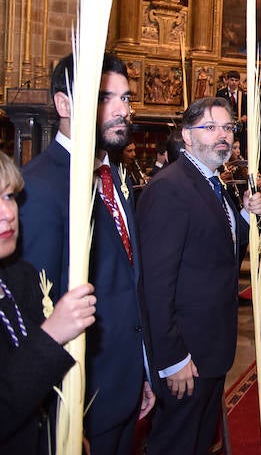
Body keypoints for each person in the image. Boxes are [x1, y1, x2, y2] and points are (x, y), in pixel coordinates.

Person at [19, 54, 154, 455]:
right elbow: (35, 314)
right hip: (77, 401)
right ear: (64, 105)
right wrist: (55, 414)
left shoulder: (113, 177)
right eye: (103, 98)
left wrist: (142, 370)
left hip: (122, 385)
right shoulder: (39, 189)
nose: (122, 111)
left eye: (126, 98)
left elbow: (128, 283)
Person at [138, 96, 261, 454]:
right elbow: (156, 285)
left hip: (212, 349)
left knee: (198, 442)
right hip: (186, 356)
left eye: (227, 128)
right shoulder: (170, 187)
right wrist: (172, 358)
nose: (222, 136)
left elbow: (219, 252)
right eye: (210, 127)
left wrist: (244, 217)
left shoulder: (215, 183)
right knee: (176, 444)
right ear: (187, 136)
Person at [0, 152, 98, 454]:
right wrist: (52, 334)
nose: (7, 213)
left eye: (8, 196)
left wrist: (63, 428)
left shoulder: (19, 276)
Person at [216, 70, 247, 157]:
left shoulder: (243, 95)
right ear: (227, 80)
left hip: (240, 128)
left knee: (240, 149)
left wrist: (245, 116)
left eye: (236, 80)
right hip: (226, 127)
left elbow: (247, 110)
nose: (234, 82)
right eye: (232, 80)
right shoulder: (221, 93)